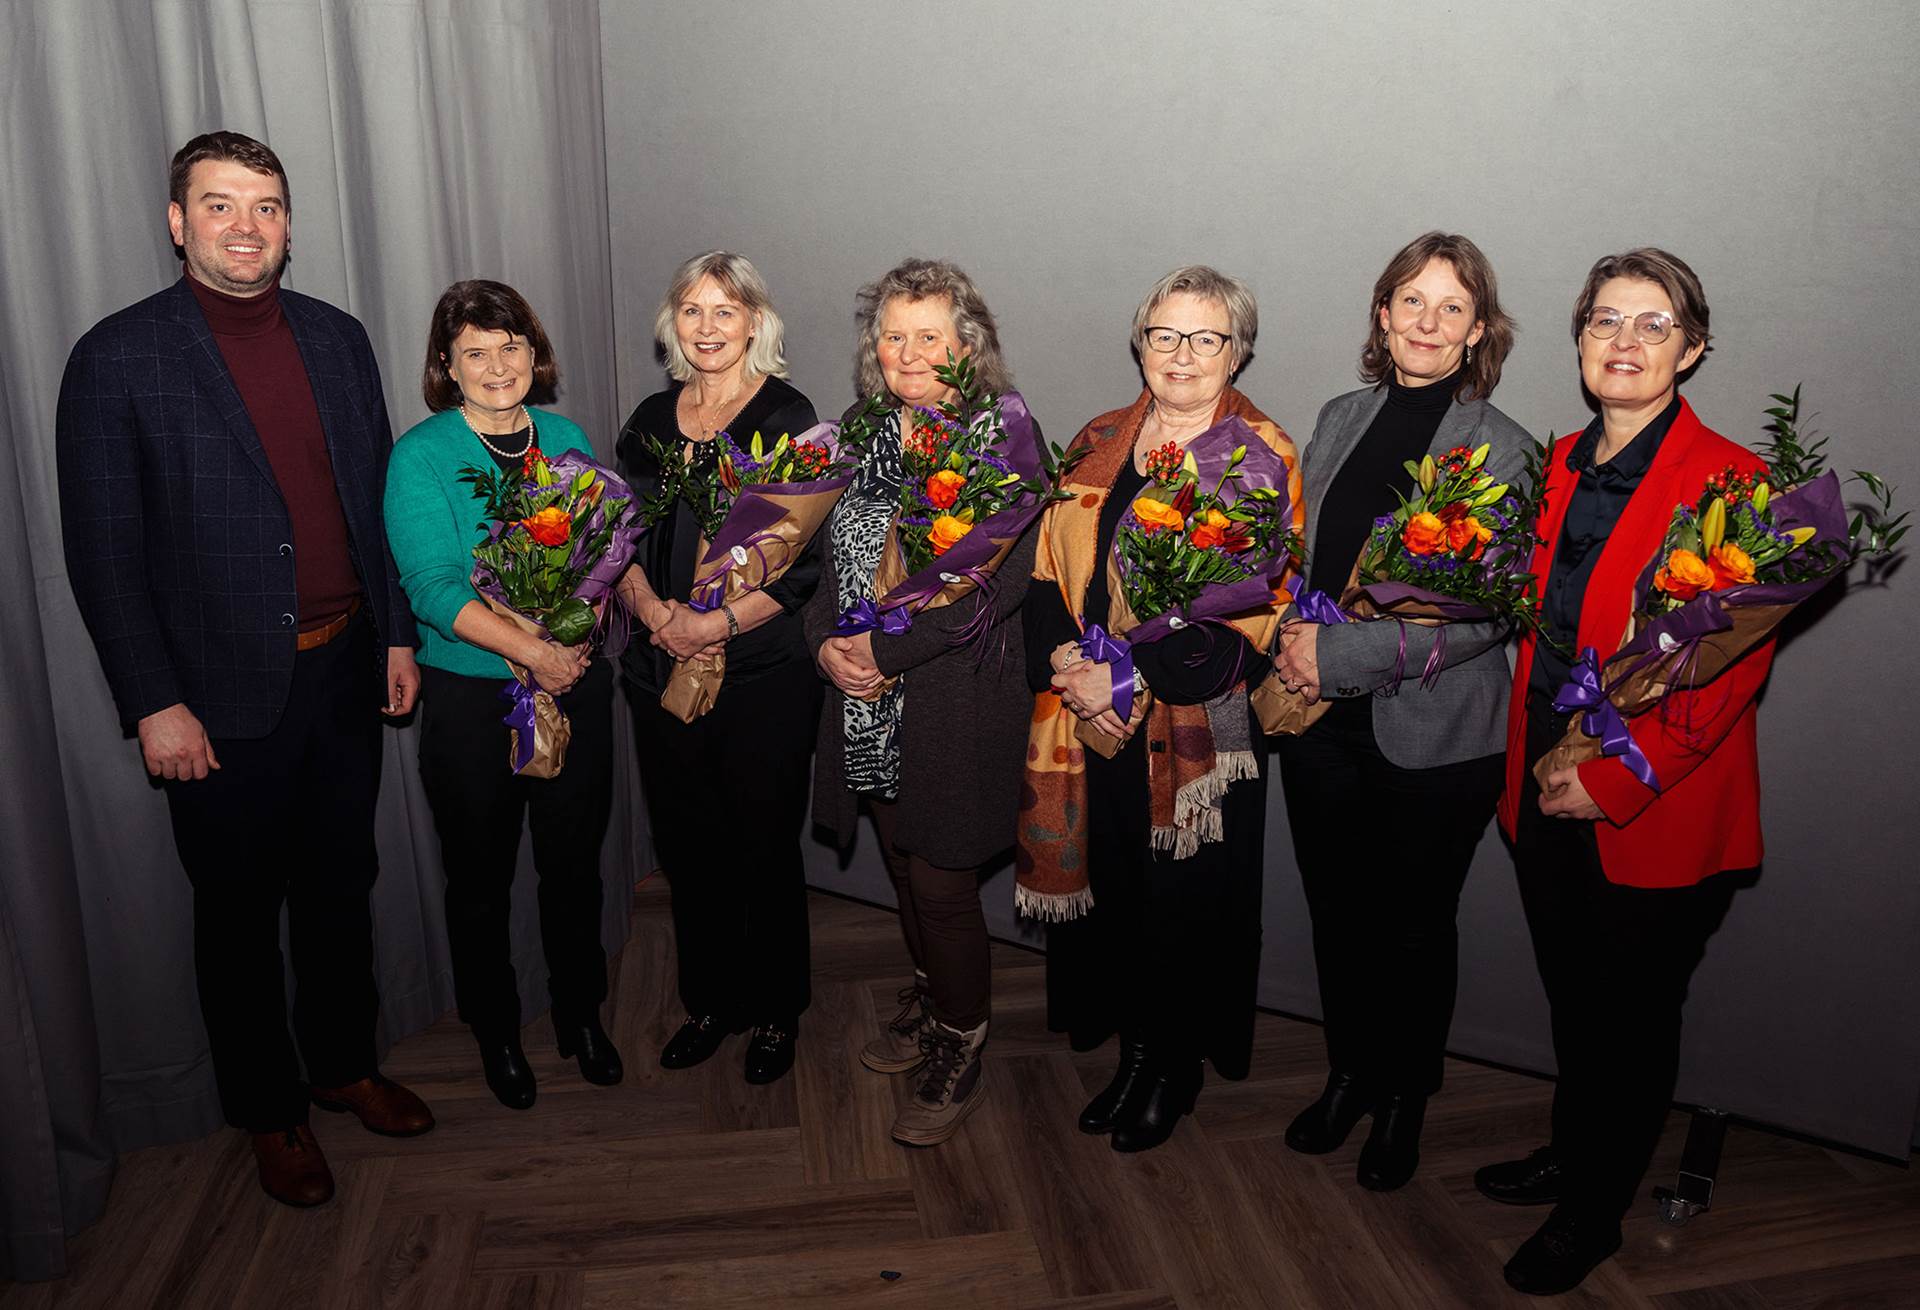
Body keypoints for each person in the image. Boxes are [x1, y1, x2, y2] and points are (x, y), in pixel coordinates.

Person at [57, 131, 432, 1209]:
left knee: (338, 887)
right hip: (213, 697)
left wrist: (397, 632)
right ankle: (270, 1111)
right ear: (179, 222)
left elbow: (373, 502)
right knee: (235, 913)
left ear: (287, 222)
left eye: (265, 206)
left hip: (343, 670)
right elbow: (104, 550)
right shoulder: (117, 356)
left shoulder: (337, 337)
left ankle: (343, 1063)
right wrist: (152, 702)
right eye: (219, 205)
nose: (244, 227)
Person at [1476, 249, 1765, 1296]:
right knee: (1576, 1002)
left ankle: (1592, 1211)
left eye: (1653, 323)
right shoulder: (1555, 464)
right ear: (1581, 337)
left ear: (1692, 348)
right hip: (1544, 781)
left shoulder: (1734, 482)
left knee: (1631, 1020)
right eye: (1606, 320)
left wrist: (1614, 780)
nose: (1626, 342)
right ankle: (1576, 1155)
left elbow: (1724, 677)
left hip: (1653, 805)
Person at [1020, 265, 1303, 1152]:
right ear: (1140, 342)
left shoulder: (1260, 456)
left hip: (1195, 732)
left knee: (1183, 904)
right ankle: (1136, 1053)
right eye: (1164, 335)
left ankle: (1171, 1069)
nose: (1182, 355)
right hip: (1087, 717)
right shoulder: (1099, 437)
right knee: (1123, 896)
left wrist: (1126, 680)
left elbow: (1239, 625)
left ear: (1239, 350)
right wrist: (1072, 667)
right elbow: (1043, 581)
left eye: (1206, 338)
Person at [1272, 233, 1532, 1189]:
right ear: (1383, 315)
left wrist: (1335, 651)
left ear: (1477, 333)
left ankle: (1402, 1102)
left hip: (1434, 730)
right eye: (1411, 302)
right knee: (1338, 914)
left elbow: (1487, 618)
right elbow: (1302, 562)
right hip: (1321, 725)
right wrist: (1285, 635)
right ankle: (1349, 1074)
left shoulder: (1504, 449)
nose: (1428, 322)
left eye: (1451, 308)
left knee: (1415, 926)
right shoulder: (1342, 416)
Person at [804, 257, 1040, 1146]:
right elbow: (825, 557)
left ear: (966, 345)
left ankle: (963, 1043)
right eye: (892, 335)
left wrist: (888, 651)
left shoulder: (1003, 435)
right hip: (865, 694)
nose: (907, 352)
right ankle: (937, 999)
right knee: (901, 862)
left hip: (952, 699)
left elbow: (1000, 585)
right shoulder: (862, 433)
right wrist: (825, 647)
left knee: (941, 879)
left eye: (928, 336)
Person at [384, 280, 621, 1111]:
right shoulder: (419, 456)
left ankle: (582, 1017)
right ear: (446, 366)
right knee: (479, 879)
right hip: (472, 701)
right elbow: (431, 586)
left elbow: (601, 553)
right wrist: (532, 651)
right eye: (474, 353)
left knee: (572, 867)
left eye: (509, 347)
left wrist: (578, 629)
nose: (495, 366)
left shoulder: (565, 435)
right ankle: (497, 1032)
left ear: (534, 353)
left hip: (575, 687)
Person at [613, 251, 821, 1085]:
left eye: (725, 312)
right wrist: (658, 616)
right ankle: (709, 1002)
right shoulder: (650, 420)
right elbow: (612, 538)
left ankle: (775, 1011)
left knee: (763, 842)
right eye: (693, 311)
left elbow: (802, 566)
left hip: (761, 671)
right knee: (688, 843)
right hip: (655, 659)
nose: (707, 328)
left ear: (755, 325)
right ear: (674, 324)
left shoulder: (786, 415)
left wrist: (716, 623)